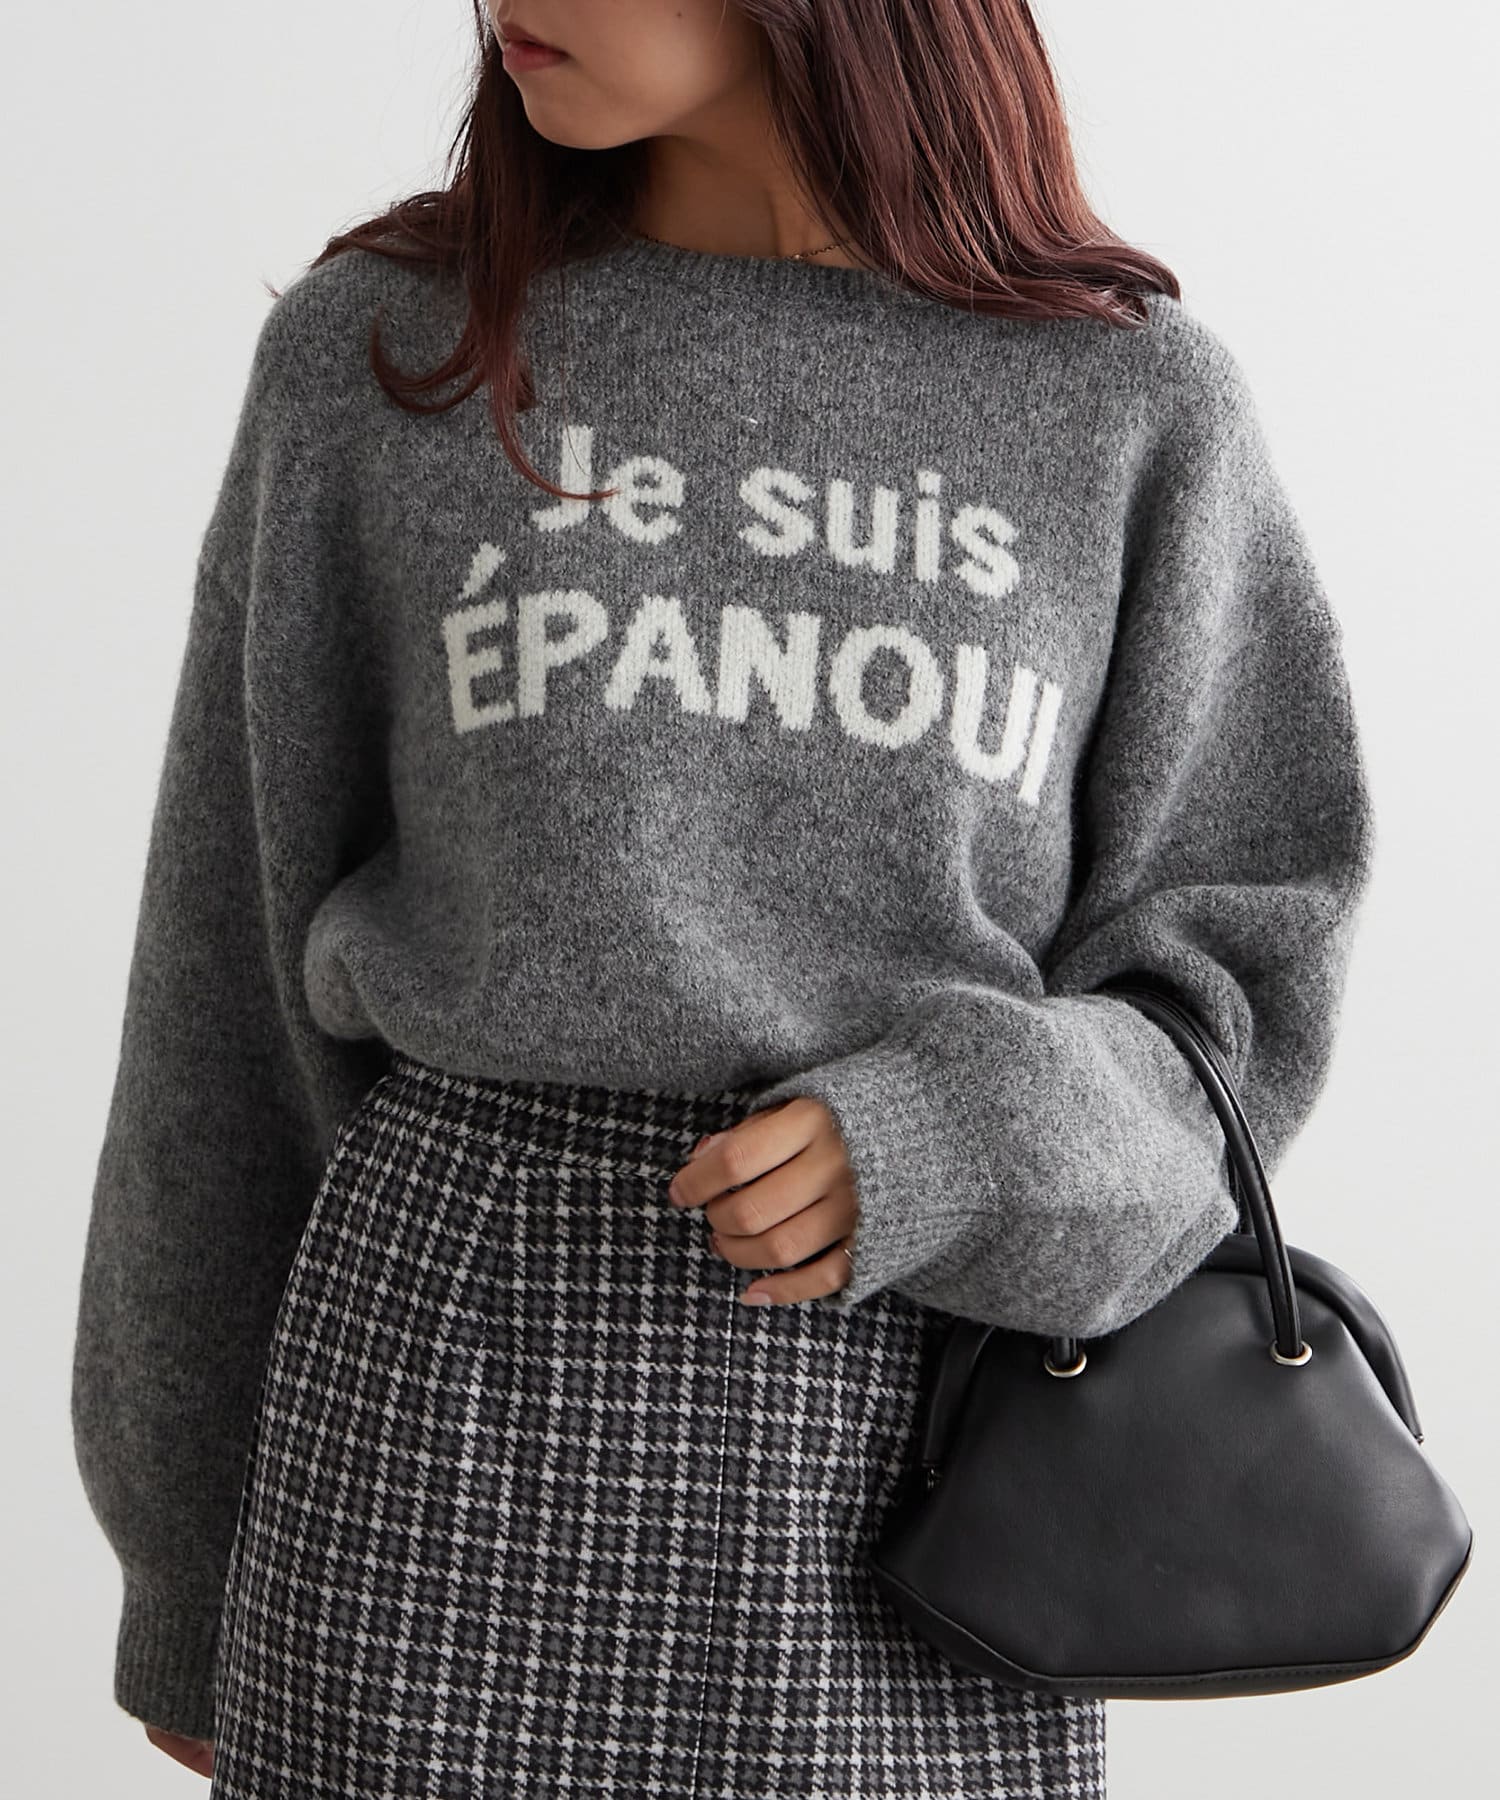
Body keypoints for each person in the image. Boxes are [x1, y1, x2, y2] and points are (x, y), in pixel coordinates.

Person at [69, 3, 1376, 1795]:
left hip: (924, 1481)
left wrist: (959, 1133)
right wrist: (181, 1561)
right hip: (434, 1432)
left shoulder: (1130, 404)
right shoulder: (389, 355)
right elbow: (222, 986)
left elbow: (1236, 988)